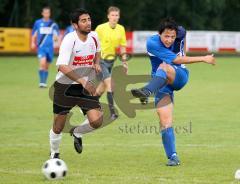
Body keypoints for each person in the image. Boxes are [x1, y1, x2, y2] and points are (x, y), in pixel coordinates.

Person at [131, 18, 215, 166]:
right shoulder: (152, 43)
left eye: (172, 37)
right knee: (165, 122)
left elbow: (177, 59)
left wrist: (204, 58)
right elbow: (176, 57)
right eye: (166, 36)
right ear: (159, 34)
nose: (169, 40)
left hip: (179, 76)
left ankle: (147, 91)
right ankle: (173, 156)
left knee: (163, 66)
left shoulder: (180, 32)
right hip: (161, 83)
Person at [49, 9, 103, 159]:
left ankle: (77, 132)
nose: (88, 23)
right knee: (58, 126)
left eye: (89, 19)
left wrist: (96, 63)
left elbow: (98, 51)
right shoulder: (69, 39)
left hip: (85, 86)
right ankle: (54, 154)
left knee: (97, 120)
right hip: (65, 86)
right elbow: (61, 65)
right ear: (75, 25)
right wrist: (82, 80)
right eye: (83, 21)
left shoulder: (94, 36)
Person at [95, 6, 128, 120]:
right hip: (100, 60)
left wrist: (124, 63)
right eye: (112, 15)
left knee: (102, 87)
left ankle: (88, 104)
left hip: (111, 61)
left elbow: (123, 47)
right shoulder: (100, 28)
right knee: (110, 84)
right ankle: (112, 113)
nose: (114, 17)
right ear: (108, 16)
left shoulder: (121, 29)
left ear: (119, 17)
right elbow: (92, 44)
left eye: (116, 15)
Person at [31, 6, 59, 88]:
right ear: (42, 13)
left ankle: (44, 82)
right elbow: (34, 34)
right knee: (42, 63)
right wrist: (32, 43)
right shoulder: (38, 23)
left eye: (48, 12)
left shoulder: (53, 24)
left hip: (50, 48)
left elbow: (56, 36)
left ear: (49, 14)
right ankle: (41, 82)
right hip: (41, 47)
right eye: (45, 12)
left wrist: (55, 38)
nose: (46, 14)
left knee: (46, 66)